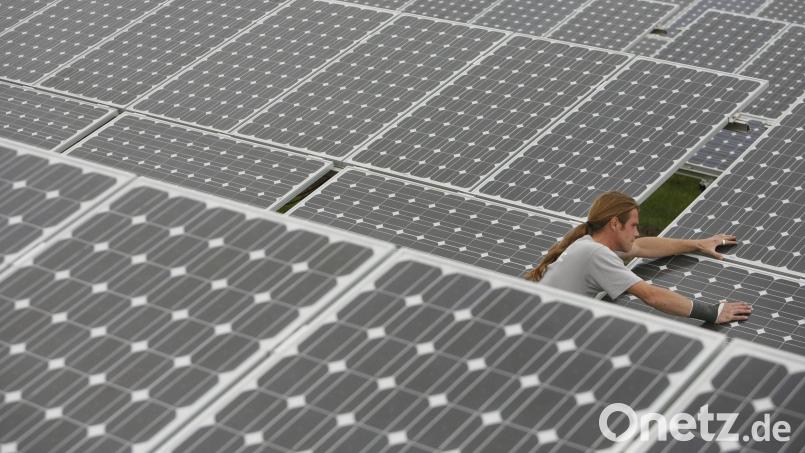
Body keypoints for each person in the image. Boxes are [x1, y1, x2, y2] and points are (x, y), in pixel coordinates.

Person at [525, 191, 752, 324]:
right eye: (633, 225)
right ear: (615, 223)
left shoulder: (587, 243)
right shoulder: (596, 254)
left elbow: (642, 246)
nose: (636, 232)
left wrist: (696, 244)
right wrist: (713, 313)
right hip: (546, 331)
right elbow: (651, 296)